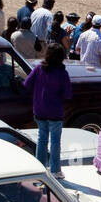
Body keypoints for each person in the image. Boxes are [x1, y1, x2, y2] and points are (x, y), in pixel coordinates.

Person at [23, 43, 73, 177]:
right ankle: (55, 170)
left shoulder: (39, 69)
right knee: (55, 142)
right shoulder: (62, 73)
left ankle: (40, 169)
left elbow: (27, 84)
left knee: (42, 139)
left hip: (39, 110)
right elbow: (67, 94)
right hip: (55, 112)